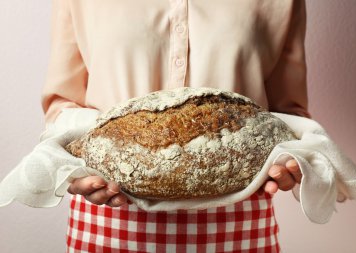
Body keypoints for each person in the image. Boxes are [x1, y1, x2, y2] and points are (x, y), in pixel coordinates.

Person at [42, 0, 311, 251]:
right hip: (108, 213)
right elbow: (63, 109)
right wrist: (70, 171)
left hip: (238, 221)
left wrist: (294, 161)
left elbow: (289, 117)